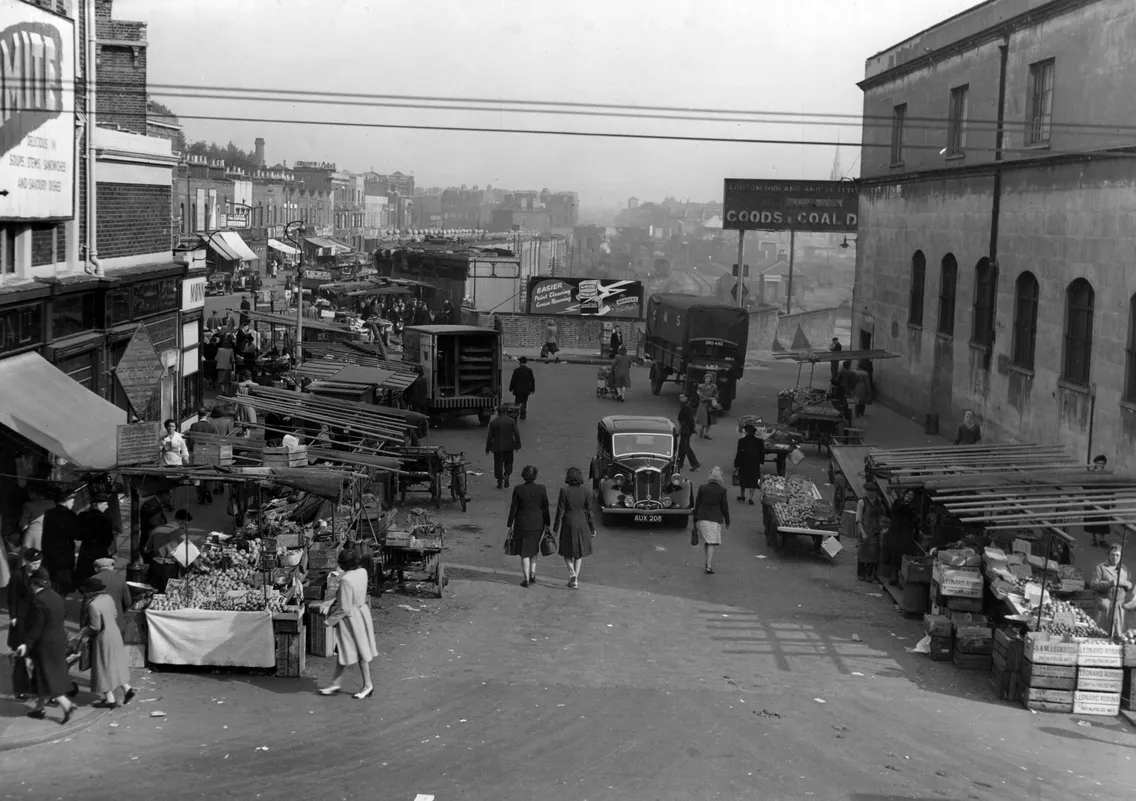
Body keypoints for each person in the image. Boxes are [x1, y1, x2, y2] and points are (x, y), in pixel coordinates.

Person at [14, 574, 77, 724]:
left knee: (46, 675)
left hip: (45, 643)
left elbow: (37, 627)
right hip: (58, 639)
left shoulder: (38, 601)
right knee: (41, 674)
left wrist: (26, 644)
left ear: (33, 586)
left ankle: (66, 705)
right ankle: (39, 708)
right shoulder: (54, 595)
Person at [317, 547, 377, 699]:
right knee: (344, 650)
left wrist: (328, 622)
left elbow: (344, 607)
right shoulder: (362, 572)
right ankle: (336, 683)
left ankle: (368, 685)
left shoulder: (345, 580)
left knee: (360, 652)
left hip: (351, 619)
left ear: (343, 564)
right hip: (363, 612)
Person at [77, 576, 136, 708]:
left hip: (103, 638)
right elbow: (114, 614)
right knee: (115, 664)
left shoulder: (93, 604)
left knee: (102, 667)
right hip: (114, 633)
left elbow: (95, 627)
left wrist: (84, 631)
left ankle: (110, 700)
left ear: (90, 592)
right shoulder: (108, 598)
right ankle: (127, 689)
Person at [507, 465, 550, 587]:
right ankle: (532, 573)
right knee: (534, 548)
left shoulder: (518, 489)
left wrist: (510, 523)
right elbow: (545, 507)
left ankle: (525, 578)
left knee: (524, 551)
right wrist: (547, 523)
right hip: (538, 523)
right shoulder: (541, 489)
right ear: (535, 476)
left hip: (522, 523)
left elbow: (513, 508)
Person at [555, 467, 596, 589]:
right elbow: (589, 512)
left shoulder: (564, 491)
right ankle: (575, 579)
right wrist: (592, 527)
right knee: (579, 552)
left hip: (568, 522)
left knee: (566, 551)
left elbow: (560, 511)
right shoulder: (587, 491)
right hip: (582, 522)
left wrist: (555, 529)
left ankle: (571, 572)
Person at [692, 467, 730, 574]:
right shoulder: (722, 490)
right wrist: (727, 521)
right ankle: (708, 565)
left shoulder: (702, 488)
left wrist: (695, 520)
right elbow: (724, 507)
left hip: (701, 518)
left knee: (708, 542)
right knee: (711, 542)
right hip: (713, 519)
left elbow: (697, 504)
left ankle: (707, 562)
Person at [1090, 544, 1134, 637]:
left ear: (1121, 556)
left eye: (1117, 555)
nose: (1115, 557)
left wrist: (1125, 583)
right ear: (1108, 555)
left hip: (1119, 606)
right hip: (1105, 604)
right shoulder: (1100, 568)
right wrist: (1109, 583)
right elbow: (1094, 585)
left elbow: (1130, 584)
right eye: (1112, 554)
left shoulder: (1124, 569)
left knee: (1118, 634)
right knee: (1101, 634)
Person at [40, 491, 78, 595]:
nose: (73, 504)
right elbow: (75, 534)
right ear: (66, 502)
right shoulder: (71, 515)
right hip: (65, 552)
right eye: (72, 501)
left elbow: (45, 532)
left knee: (51, 577)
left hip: (49, 550)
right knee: (63, 581)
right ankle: (60, 605)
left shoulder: (48, 513)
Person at [881, 489, 919, 584]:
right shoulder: (898, 502)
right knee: (894, 553)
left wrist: (917, 530)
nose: (910, 496)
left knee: (904, 554)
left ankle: (899, 577)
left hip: (906, 533)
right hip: (896, 532)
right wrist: (904, 503)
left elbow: (914, 518)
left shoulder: (913, 507)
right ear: (905, 494)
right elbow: (895, 511)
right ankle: (893, 575)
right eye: (908, 494)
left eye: (912, 495)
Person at [187, 409, 220, 504]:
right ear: (207, 414)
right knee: (209, 473)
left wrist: (192, 449)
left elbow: (190, 440)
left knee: (197, 475)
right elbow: (216, 441)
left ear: (198, 415)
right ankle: (208, 491)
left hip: (197, 453)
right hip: (209, 453)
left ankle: (200, 495)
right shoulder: (212, 426)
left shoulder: (194, 426)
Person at [485, 404, 521, 489]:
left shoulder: (494, 423)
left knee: (498, 464)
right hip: (509, 447)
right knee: (509, 462)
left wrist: (488, 448)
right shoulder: (511, 421)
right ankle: (507, 475)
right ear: (506, 411)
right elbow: (516, 434)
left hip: (497, 448)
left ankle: (500, 480)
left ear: (498, 412)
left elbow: (490, 437)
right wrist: (517, 445)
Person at [91, 557, 132, 632]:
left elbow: (85, 605)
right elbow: (128, 602)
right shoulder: (120, 579)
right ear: (111, 567)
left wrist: (83, 625)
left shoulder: (92, 580)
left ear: (96, 569)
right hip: (117, 621)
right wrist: (121, 612)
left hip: (98, 622)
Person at [733, 423, 765, 505]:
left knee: (743, 478)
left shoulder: (742, 441)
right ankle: (751, 497)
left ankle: (742, 495)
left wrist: (736, 464)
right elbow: (762, 452)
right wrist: (761, 461)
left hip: (744, 462)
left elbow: (739, 453)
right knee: (753, 479)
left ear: (746, 432)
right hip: (754, 463)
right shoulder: (759, 441)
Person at [856, 487, 883, 582]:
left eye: (870, 491)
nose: (868, 493)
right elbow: (858, 520)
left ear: (874, 492)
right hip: (865, 531)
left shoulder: (878, 501)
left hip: (875, 531)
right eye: (867, 491)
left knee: (873, 554)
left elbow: (881, 515)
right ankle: (861, 573)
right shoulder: (861, 502)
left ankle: (869, 573)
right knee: (863, 553)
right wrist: (863, 533)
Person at [1086, 454, 1111, 547]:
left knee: (1104, 520)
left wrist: (1112, 499)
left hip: (1104, 500)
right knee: (1092, 519)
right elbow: (1085, 486)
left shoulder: (1107, 474)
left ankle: (1102, 538)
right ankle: (1094, 538)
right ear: (1095, 463)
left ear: (1104, 464)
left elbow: (1111, 486)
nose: (1100, 465)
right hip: (1092, 499)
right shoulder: (1090, 474)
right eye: (1099, 463)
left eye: (1102, 463)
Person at [19, 488, 55, 552]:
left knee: (29, 556)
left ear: (34, 494)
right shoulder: (52, 503)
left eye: (29, 493)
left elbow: (23, 524)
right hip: (49, 534)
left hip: (33, 535)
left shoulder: (28, 505)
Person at [676, 395, 701, 472]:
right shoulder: (684, 406)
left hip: (686, 431)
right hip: (684, 430)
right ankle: (679, 463)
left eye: (683, 397)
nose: (681, 398)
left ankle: (695, 463)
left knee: (686, 447)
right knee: (681, 447)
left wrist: (693, 428)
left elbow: (691, 419)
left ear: (687, 398)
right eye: (680, 397)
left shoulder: (687, 407)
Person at [508, 356, 536, 421]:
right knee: (524, 402)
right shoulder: (529, 370)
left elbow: (513, 380)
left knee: (517, 402)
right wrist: (532, 389)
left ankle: (515, 415)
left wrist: (511, 388)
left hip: (518, 390)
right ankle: (523, 414)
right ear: (526, 362)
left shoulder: (516, 370)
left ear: (519, 362)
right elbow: (532, 380)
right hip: (526, 390)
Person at [695, 372, 719, 440]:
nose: (707, 380)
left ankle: (706, 433)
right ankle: (701, 429)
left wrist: (715, 398)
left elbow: (716, 394)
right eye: (706, 379)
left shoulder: (714, 386)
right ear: (704, 379)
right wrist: (710, 398)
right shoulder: (701, 386)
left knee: (710, 420)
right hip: (704, 405)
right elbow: (701, 396)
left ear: (711, 379)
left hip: (711, 406)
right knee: (704, 420)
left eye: (709, 379)